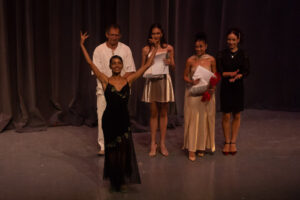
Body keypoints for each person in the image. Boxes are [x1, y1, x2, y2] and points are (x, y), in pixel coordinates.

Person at [80, 31, 158, 191]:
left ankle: (121, 179)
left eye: (118, 63)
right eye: (113, 63)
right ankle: (114, 180)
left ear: (122, 66)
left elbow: (147, 65)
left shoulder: (128, 80)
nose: (116, 65)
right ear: (110, 66)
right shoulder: (105, 80)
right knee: (112, 150)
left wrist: (155, 47)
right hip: (109, 120)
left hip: (123, 120)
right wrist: (82, 45)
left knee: (123, 149)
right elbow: (90, 63)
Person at [92, 24, 136, 155]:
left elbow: (130, 70)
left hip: (122, 91)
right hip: (104, 89)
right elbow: (97, 71)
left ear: (120, 36)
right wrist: (110, 84)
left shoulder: (126, 49)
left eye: (117, 35)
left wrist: (120, 84)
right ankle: (104, 145)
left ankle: (119, 144)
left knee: (120, 118)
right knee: (102, 117)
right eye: (112, 35)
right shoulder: (99, 50)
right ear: (107, 35)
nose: (114, 37)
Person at [141, 24, 175, 157]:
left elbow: (173, 66)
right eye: (153, 33)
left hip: (164, 81)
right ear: (150, 35)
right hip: (151, 81)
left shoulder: (169, 48)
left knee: (164, 113)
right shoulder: (145, 49)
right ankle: (153, 143)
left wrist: (169, 63)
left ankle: (162, 143)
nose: (156, 36)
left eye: (158, 33)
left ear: (161, 34)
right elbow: (142, 68)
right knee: (154, 113)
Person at [182, 33, 217, 161]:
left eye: (201, 47)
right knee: (193, 119)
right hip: (194, 93)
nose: (198, 49)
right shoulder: (190, 60)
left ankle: (201, 147)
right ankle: (192, 149)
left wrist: (212, 88)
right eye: (196, 47)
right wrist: (191, 82)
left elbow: (214, 75)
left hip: (207, 92)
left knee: (203, 119)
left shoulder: (211, 60)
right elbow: (185, 76)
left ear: (206, 46)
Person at [217, 28, 249, 155]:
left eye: (233, 40)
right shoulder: (221, 54)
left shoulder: (243, 54)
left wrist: (239, 76)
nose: (231, 42)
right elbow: (219, 71)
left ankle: (233, 142)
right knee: (226, 115)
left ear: (238, 40)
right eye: (229, 39)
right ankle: (227, 141)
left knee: (237, 115)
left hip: (238, 87)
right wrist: (230, 74)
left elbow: (246, 70)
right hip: (226, 87)